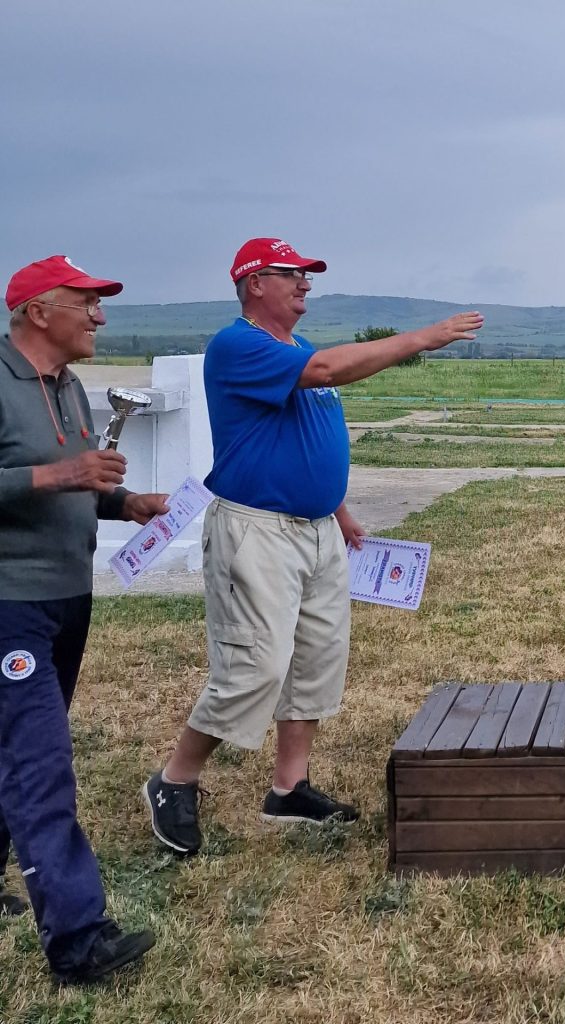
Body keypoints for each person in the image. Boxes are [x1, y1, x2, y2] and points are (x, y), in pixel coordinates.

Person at [143, 238, 483, 854]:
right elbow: (326, 373)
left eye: (307, 275)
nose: (304, 284)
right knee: (255, 667)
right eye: (290, 274)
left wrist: (339, 509)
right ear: (253, 285)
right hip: (258, 528)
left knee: (316, 660)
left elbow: (305, 433)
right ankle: (175, 779)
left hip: (317, 530)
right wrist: (422, 337)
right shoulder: (239, 344)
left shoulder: (295, 348)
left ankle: (289, 788)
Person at [1, 255, 169, 982]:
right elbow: (48, 475)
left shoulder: (70, 388)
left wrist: (120, 503)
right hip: (10, 603)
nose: (100, 316)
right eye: (87, 303)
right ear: (39, 312)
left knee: (10, 751)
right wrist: (63, 475)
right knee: (40, 765)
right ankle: (77, 937)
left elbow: (71, 479)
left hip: (69, 595)